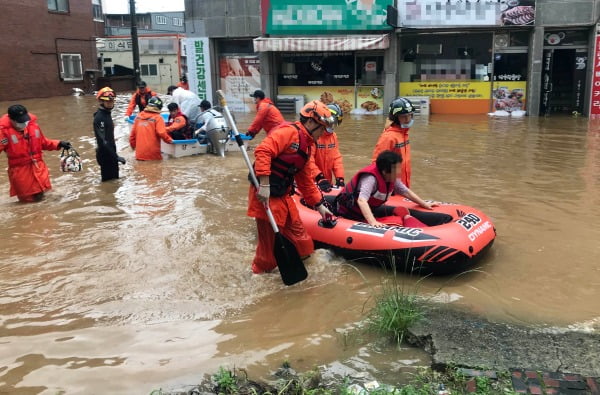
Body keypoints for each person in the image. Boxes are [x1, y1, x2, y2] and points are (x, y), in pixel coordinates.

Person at [248, 100, 334, 274]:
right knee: (268, 248)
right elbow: (263, 151)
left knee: (302, 240)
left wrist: (320, 206)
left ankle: (301, 262)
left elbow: (306, 181)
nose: (323, 133)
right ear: (310, 122)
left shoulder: (307, 147)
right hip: (265, 195)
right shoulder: (288, 133)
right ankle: (259, 274)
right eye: (322, 128)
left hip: (283, 196)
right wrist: (264, 184)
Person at [336, 151, 435, 228]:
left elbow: (406, 192)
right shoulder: (370, 179)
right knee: (397, 221)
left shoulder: (391, 177)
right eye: (396, 169)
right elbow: (362, 201)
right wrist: (372, 222)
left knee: (401, 213)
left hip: (368, 211)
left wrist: (424, 204)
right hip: (347, 213)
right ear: (384, 171)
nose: (399, 172)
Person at [0, 104, 71, 202]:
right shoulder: (3, 133)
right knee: (29, 203)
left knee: (49, 196)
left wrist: (59, 143)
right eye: (20, 121)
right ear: (11, 120)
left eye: (25, 120)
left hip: (39, 168)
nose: (24, 123)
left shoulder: (33, 126)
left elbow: (43, 142)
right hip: (21, 174)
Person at [371, 97, 415, 188]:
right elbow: (377, 163)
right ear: (395, 118)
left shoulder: (404, 134)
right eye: (403, 116)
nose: (407, 119)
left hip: (403, 185)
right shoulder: (389, 137)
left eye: (409, 115)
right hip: (391, 187)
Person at [308, 103, 345, 192]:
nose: (331, 126)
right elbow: (309, 160)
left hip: (326, 182)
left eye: (335, 123)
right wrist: (319, 177)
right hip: (311, 181)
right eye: (331, 122)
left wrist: (340, 177)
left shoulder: (333, 137)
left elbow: (336, 158)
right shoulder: (314, 135)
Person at [93, 87, 126, 182]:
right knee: (109, 183)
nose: (110, 103)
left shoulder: (107, 114)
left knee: (114, 182)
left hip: (110, 153)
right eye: (107, 101)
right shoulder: (100, 117)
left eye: (112, 101)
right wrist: (116, 157)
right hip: (105, 155)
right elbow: (103, 141)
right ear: (101, 101)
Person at [129, 96, 173, 160]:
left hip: (139, 155)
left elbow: (132, 136)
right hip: (153, 155)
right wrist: (169, 140)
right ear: (159, 107)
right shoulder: (158, 118)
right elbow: (161, 132)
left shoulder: (138, 117)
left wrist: (133, 147)